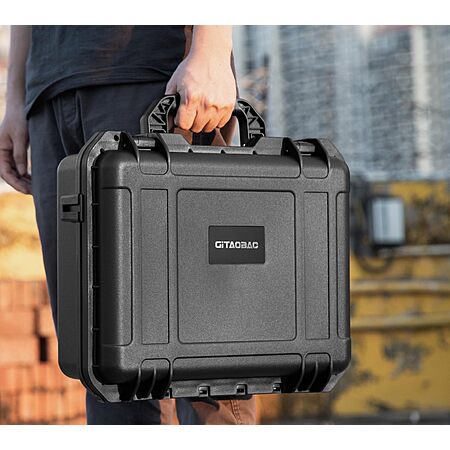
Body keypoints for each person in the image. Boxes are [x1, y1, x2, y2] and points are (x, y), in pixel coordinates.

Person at [0, 25, 256, 425]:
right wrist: (15, 98)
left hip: (154, 73)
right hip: (49, 92)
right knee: (106, 366)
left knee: (203, 361)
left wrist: (212, 46)